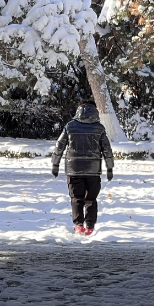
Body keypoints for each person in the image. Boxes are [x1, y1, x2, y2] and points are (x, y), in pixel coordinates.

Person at [51, 98, 115, 235]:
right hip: (93, 170)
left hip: (74, 169)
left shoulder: (70, 126)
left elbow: (59, 146)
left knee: (76, 198)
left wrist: (55, 164)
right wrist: (110, 168)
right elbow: (107, 150)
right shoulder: (99, 128)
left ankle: (78, 225)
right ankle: (90, 227)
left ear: (78, 110)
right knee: (91, 199)